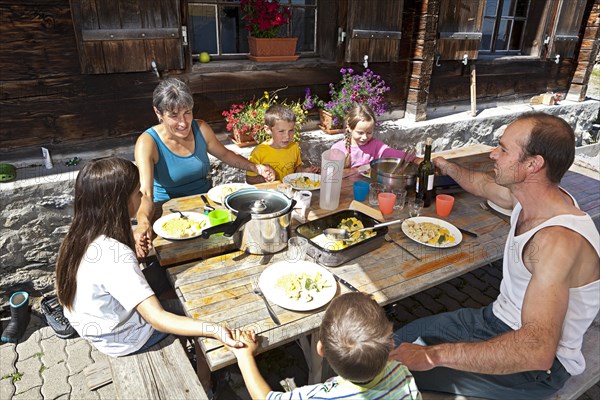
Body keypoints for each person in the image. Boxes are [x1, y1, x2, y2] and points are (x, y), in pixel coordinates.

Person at [390, 112, 600, 399]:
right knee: (394, 343)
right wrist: (446, 166)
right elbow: (481, 184)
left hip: (537, 368)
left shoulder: (558, 240)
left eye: (503, 149)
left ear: (532, 164)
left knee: (396, 379)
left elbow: (536, 351)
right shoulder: (527, 197)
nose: (493, 154)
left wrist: (433, 356)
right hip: (493, 321)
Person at [55, 157, 243, 390]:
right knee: (197, 310)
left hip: (100, 328)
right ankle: (206, 383)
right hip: (124, 338)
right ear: (118, 202)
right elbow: (157, 318)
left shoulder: (81, 231)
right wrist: (214, 328)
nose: (143, 198)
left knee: (169, 290)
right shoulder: (113, 255)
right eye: (137, 194)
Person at [134, 78, 275, 258]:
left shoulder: (200, 128)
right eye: (174, 115)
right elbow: (145, 193)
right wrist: (143, 223)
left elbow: (225, 154)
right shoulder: (147, 142)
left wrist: (255, 167)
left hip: (206, 209)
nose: (183, 123)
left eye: (187, 112)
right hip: (169, 216)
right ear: (158, 112)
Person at [230, 292, 421, 399]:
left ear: (320, 349)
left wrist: (245, 357)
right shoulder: (402, 375)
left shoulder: (319, 397)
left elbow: (264, 398)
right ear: (391, 346)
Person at [246, 104, 319, 184]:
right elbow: (249, 179)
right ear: (268, 130)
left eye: (291, 130)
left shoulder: (294, 147)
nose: (287, 136)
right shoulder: (258, 153)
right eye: (281, 131)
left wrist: (304, 172)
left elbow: (295, 170)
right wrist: (265, 178)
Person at [331, 103, 420, 168]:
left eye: (369, 132)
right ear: (349, 127)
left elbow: (396, 154)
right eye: (360, 133)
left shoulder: (376, 146)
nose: (365, 137)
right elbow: (329, 173)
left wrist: (416, 159)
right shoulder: (338, 149)